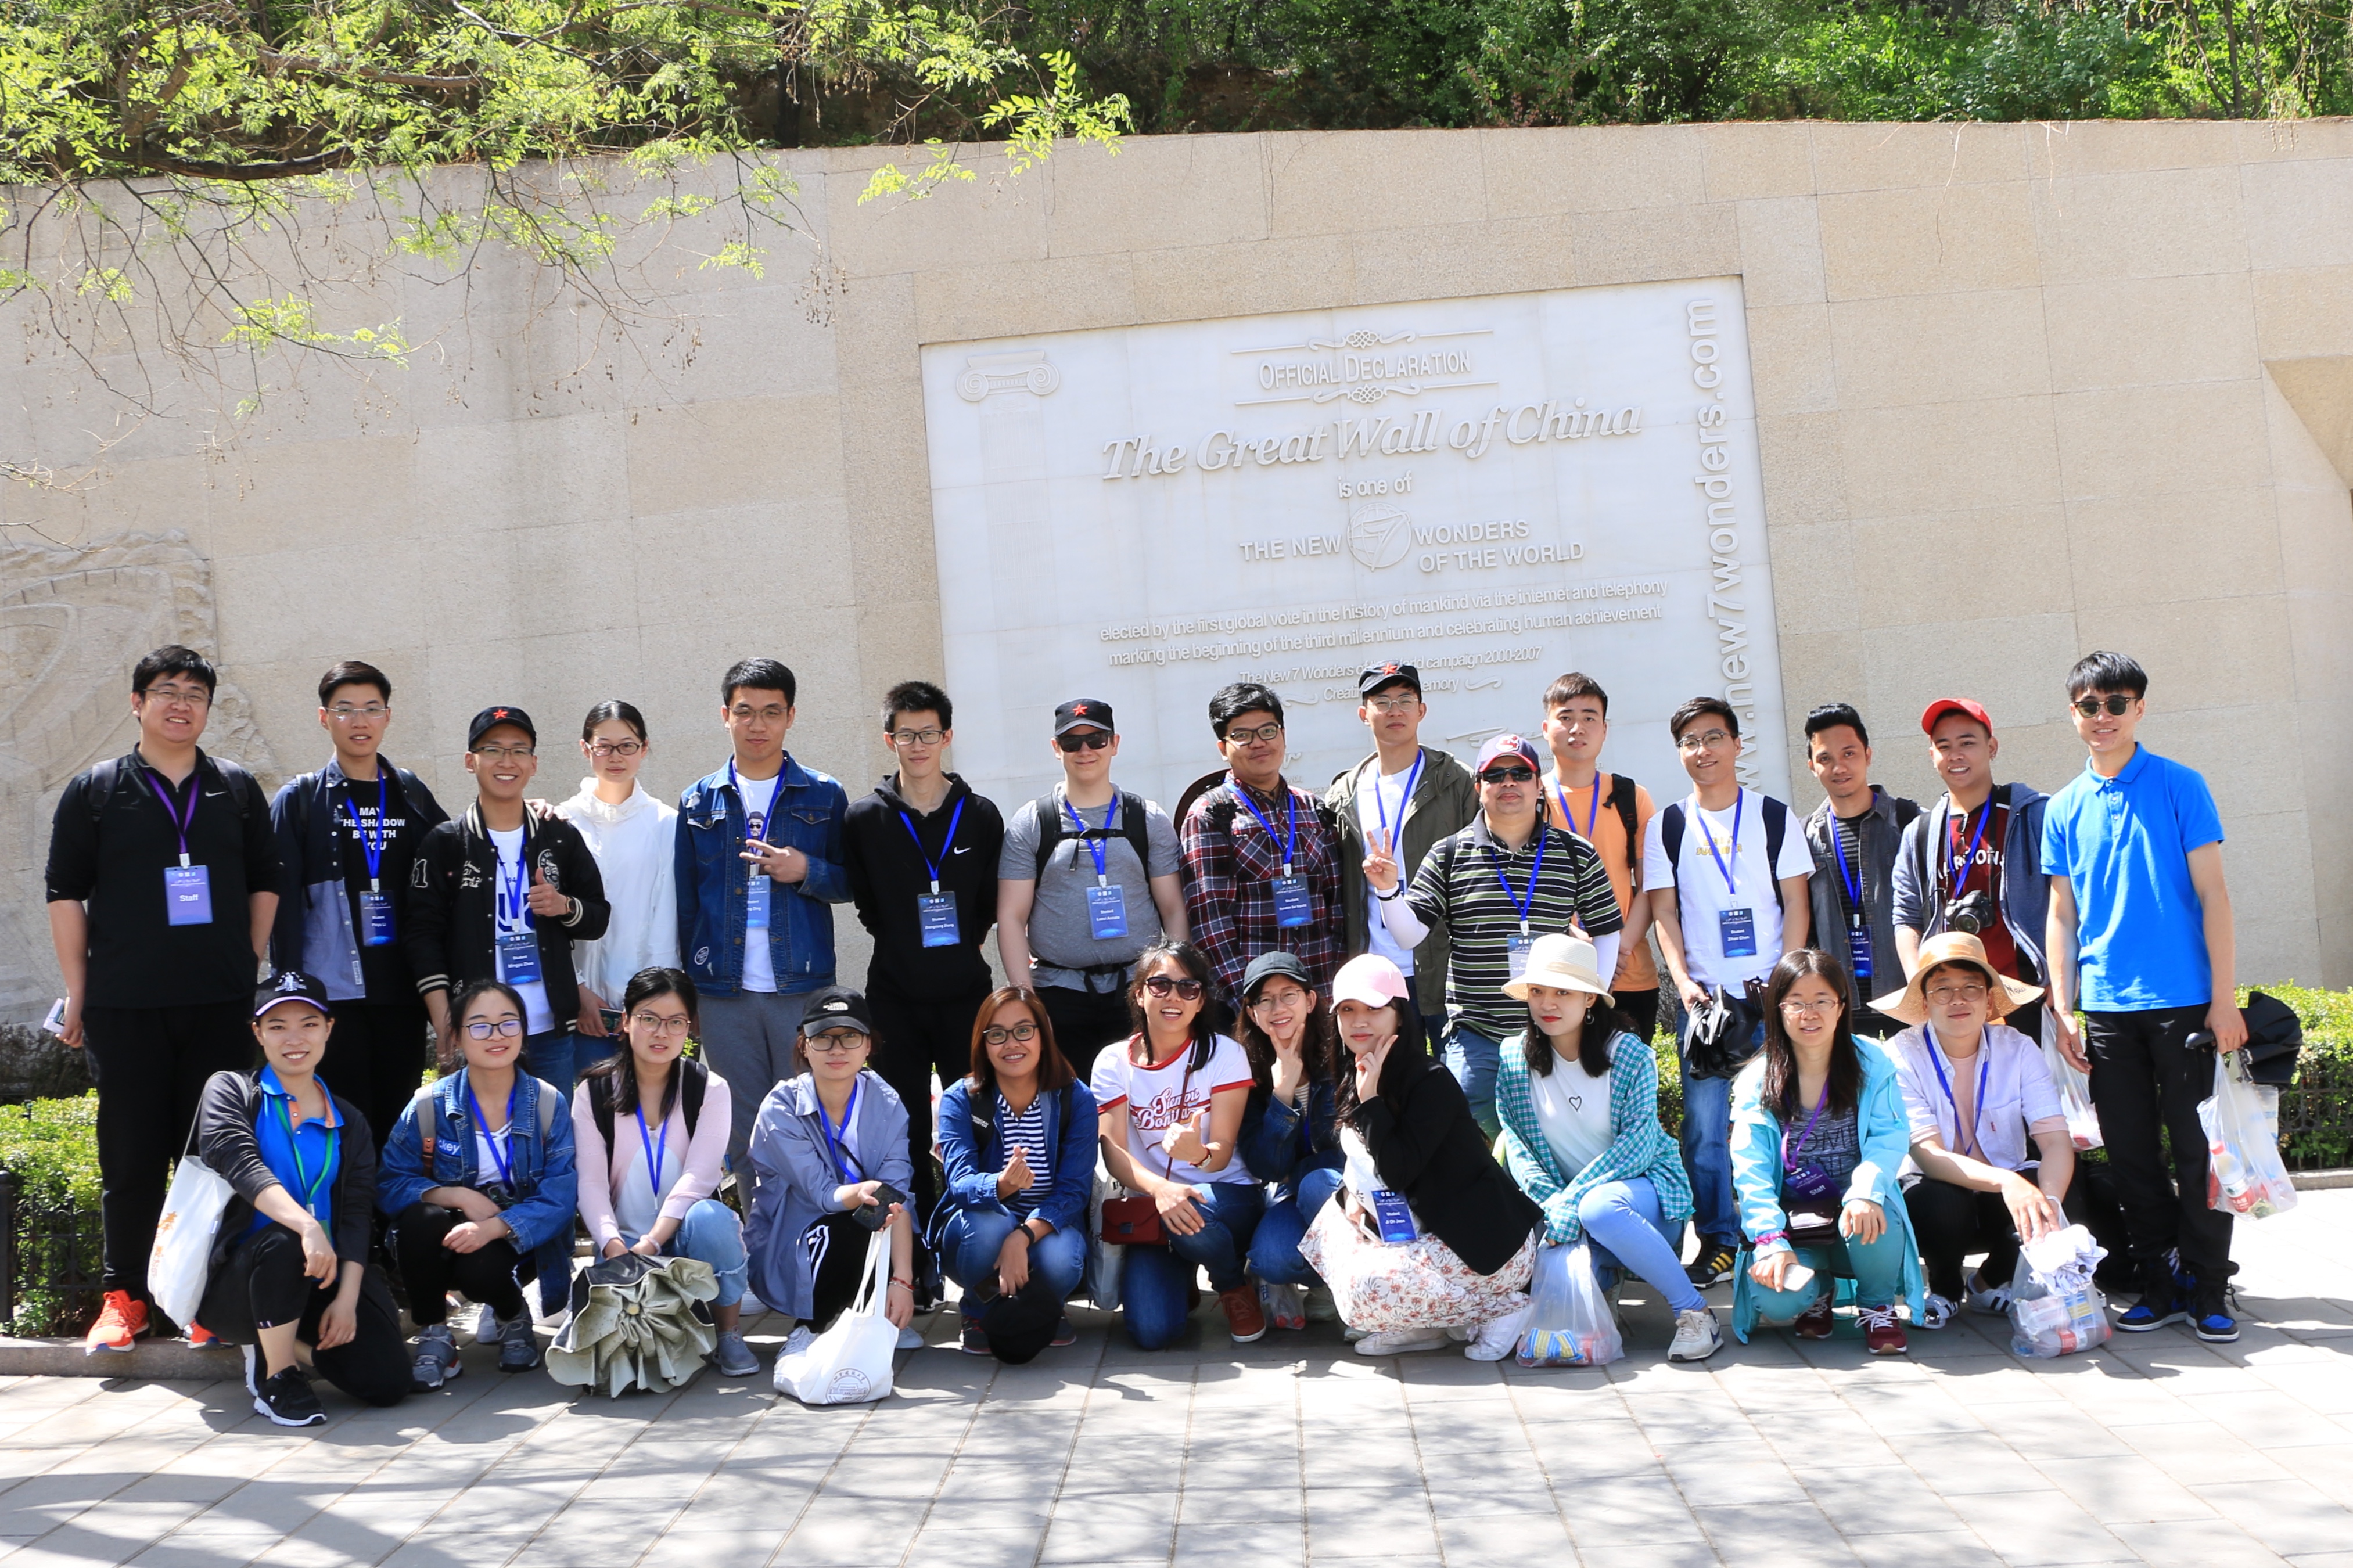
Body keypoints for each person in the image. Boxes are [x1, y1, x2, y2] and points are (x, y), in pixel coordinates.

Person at [45, 645, 282, 1354]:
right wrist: (79, 992)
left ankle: (204, 1299)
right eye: (167, 690)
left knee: (214, 1153)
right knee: (131, 1155)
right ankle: (126, 1299)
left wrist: (245, 965)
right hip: (125, 1004)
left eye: (195, 694)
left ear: (208, 708)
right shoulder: (96, 790)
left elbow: (265, 882)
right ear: (138, 703)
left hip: (219, 1003)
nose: (182, 704)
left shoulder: (235, 788)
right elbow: (65, 893)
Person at [2041, 651, 2244, 1341]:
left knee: (2198, 1153)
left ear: (2139, 708)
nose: (2102, 717)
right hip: (2104, 1009)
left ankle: (2209, 1286)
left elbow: (2214, 896)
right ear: (2073, 714)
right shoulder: (2063, 807)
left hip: (2185, 1004)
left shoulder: (2181, 785)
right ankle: (2159, 1282)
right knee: (2130, 1156)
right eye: (2088, 706)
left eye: (2115, 703)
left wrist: (2224, 999)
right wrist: (2062, 1006)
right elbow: (2061, 915)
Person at [1366, 733, 1625, 1137]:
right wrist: (1387, 891)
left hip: (1553, 1029)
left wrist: (1589, 1002)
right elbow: (1408, 935)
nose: (1508, 783)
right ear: (1478, 787)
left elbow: (1606, 930)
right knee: (1470, 1138)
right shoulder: (1448, 854)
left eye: (1520, 773)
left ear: (1538, 785)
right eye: (1495, 775)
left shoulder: (1576, 853)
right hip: (1477, 1033)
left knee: (1556, 1138)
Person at [1643, 696, 1815, 1289]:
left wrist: (1786, 979)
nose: (1703, 750)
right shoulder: (1668, 825)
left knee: (1784, 1123)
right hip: (1706, 1007)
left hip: (1772, 999)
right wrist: (1684, 983)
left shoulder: (1773, 817)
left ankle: (1788, 1234)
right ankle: (1718, 1239)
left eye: (1714, 737)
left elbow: (1795, 901)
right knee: (1703, 1129)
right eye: (1690, 741)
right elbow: (1663, 912)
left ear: (1737, 744)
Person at [193, 972, 409, 1426]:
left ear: (329, 1029)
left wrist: (346, 1299)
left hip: (320, 1276)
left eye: (309, 1024)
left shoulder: (348, 1119)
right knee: (287, 1240)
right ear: (258, 1033)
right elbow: (240, 1163)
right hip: (241, 1282)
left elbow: (356, 1214)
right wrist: (307, 1226)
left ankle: (284, 1343)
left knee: (387, 1382)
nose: (294, 1039)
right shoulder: (231, 1091)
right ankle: (278, 1374)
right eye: (277, 1026)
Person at [1493, 934, 1719, 1362]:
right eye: (1537, 991)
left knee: (1599, 1209)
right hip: (1561, 1212)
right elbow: (1518, 1147)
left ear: (1590, 999)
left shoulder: (1629, 1054)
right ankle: (1607, 1276)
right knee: (1571, 1296)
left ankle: (1694, 1313)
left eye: (1563, 992)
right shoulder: (1513, 1058)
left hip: (1641, 1201)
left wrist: (1571, 1204)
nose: (1547, 1003)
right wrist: (1555, 1205)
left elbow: (1637, 1147)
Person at [1306, 955, 1543, 1358]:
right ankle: (1423, 1327)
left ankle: (1504, 1309)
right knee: (1326, 1228)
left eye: (1374, 1009)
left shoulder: (1429, 1080)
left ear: (1399, 1014)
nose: (1359, 1021)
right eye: (1347, 1010)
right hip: (1425, 1232)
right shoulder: (1357, 1071)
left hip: (1485, 1246)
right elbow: (1364, 1163)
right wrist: (1352, 1199)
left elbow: (1397, 1172)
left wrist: (1371, 1102)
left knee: (1367, 1289)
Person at [843, 679, 1005, 1249]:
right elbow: (868, 906)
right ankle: (913, 1252)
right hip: (895, 997)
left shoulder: (980, 816)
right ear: (890, 740)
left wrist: (956, 947)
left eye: (928, 734)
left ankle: (975, 1240)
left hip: (965, 995)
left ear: (947, 737)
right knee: (903, 1129)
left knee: (976, 1121)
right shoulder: (864, 819)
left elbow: (987, 904)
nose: (918, 745)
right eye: (906, 735)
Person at [676, 659, 851, 1174]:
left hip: (800, 985)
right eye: (745, 712)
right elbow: (686, 903)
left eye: (771, 712)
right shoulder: (698, 800)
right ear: (725, 716)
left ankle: (816, 1224)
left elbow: (851, 882)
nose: (758, 725)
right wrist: (690, 992)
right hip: (723, 992)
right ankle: (760, 1227)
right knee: (744, 1131)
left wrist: (807, 870)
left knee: (810, 1120)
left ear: (790, 716)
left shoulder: (823, 793)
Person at [269, 660, 449, 1153]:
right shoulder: (301, 798)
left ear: (388, 716)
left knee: (396, 1124)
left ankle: (391, 1206)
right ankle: (350, 1207)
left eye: (372, 708)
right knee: (343, 1122)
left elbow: (454, 853)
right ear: (324, 718)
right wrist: (290, 995)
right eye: (345, 709)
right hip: (332, 997)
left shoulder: (409, 791)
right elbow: (280, 905)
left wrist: (524, 812)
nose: (359, 721)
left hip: (401, 990)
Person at [378, 979, 581, 1384]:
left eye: (508, 1023)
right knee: (419, 1218)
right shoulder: (429, 1105)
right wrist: (454, 1195)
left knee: (481, 1268)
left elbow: (560, 1196)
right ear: (456, 1036)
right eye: (480, 1026)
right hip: (442, 1236)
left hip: (517, 1239)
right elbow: (389, 1182)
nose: (496, 1035)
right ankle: (435, 1334)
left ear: (523, 1030)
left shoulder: (547, 1103)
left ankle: (511, 1313)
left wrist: (494, 1227)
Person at [1727, 950, 1923, 1355]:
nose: (1809, 1013)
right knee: (1776, 1300)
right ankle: (1818, 1291)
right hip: (1795, 1221)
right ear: (1778, 1010)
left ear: (1841, 1006)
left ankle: (1876, 1306)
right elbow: (1751, 1170)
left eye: (1821, 1000)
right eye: (1796, 1002)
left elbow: (1889, 1137)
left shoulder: (1871, 1061)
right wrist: (1769, 1240)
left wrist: (1865, 1191)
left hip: (1857, 1213)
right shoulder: (1756, 1081)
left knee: (1877, 1211)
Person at [1874, 933, 2074, 1328]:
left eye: (1971, 988)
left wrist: (2048, 1203)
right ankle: (1945, 1288)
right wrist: (2007, 1183)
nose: (1958, 1000)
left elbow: (2054, 1140)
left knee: (2065, 1186)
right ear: (1925, 1003)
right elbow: (1929, 1155)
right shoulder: (1901, 1053)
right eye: (1942, 990)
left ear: (1989, 1000)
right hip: (1939, 1190)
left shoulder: (2018, 1047)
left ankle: (1988, 1283)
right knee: (1940, 1200)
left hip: (2002, 1192)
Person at [405, 707, 611, 1089]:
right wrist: (445, 1021)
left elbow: (598, 917)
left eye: (519, 751)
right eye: (493, 750)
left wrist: (564, 906)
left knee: (550, 1125)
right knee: (480, 1126)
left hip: (548, 1029)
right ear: (470, 761)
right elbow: (422, 936)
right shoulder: (446, 843)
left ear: (533, 764)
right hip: (477, 1029)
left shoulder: (559, 836)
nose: (506, 761)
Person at [570, 967, 758, 1380]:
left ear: (689, 1028)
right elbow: (590, 1182)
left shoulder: (709, 1088)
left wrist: (655, 1241)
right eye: (649, 1019)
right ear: (626, 1021)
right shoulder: (594, 1092)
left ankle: (728, 1333)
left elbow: (701, 1177)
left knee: (713, 1219)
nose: (662, 1033)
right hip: (624, 1246)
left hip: (685, 1239)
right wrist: (613, 1245)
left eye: (676, 1022)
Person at [1090, 940, 1266, 1348]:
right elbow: (1114, 1153)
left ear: (1201, 1001)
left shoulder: (1224, 1053)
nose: (1174, 997)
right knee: (1152, 1333)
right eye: (1161, 985)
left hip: (1227, 1195)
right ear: (1139, 994)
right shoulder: (1112, 1062)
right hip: (1155, 1205)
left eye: (1189, 988)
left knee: (1194, 1213)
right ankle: (1186, 1267)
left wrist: (1198, 1155)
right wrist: (1161, 1190)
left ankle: (1231, 1284)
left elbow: (1222, 1151)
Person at [996, 697, 1188, 1061]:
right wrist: (1026, 1002)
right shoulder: (1033, 822)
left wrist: (1174, 987)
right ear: (1057, 749)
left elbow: (1173, 908)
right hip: (1058, 994)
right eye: (1072, 742)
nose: (1085, 751)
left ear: (1114, 744)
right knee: (1069, 1095)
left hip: (1139, 991)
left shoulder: (1147, 818)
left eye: (1097, 740)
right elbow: (1011, 916)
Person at [742, 987, 920, 1352]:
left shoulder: (886, 1102)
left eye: (850, 1037)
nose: (837, 1050)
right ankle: (810, 1327)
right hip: (796, 1238)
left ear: (868, 1045)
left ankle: (877, 1312)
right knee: (843, 1228)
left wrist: (903, 1282)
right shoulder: (781, 1108)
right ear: (804, 1046)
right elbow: (823, 1195)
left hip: (873, 1220)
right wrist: (865, 1191)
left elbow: (898, 1194)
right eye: (823, 1038)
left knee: (895, 1221)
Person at [932, 987, 1096, 1357]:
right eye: (997, 1034)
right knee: (990, 1224)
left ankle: (1044, 1308)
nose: (1011, 1044)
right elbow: (959, 1183)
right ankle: (978, 1310)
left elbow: (1074, 1191)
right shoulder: (962, 1098)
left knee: (1061, 1255)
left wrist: (1021, 1237)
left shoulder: (1075, 1098)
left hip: (1045, 1227)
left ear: (1043, 1035)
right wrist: (1002, 1185)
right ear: (983, 1043)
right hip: (977, 1234)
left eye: (1024, 1030)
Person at [1326, 663, 1477, 1053]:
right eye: (1383, 701)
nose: (1395, 711)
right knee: (1388, 1076)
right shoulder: (1344, 793)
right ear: (1364, 714)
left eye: (1405, 701)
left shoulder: (1454, 780)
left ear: (1421, 711)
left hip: (1445, 964)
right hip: (1377, 969)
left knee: (1455, 1078)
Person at [1892, 697, 2052, 1044]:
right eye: (1944, 746)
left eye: (1967, 743)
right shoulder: (1920, 833)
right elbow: (1905, 918)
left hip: (2026, 994)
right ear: (1932, 755)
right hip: (1953, 1003)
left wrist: (2061, 981)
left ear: (1992, 748)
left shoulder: (2033, 816)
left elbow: (2065, 903)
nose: (1956, 755)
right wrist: (1920, 988)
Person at [1180, 682, 1347, 1001]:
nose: (1258, 743)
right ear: (1223, 747)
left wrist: (1334, 991)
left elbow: (1336, 904)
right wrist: (1250, 1002)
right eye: (1242, 735)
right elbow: (1210, 921)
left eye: (1268, 731)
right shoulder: (1211, 814)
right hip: (1255, 999)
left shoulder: (1312, 807)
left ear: (1283, 735)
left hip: (1319, 991)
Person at [1538, 672, 1663, 1042]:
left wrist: (1618, 949)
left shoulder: (1631, 797)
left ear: (1605, 730)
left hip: (1629, 975)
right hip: (1555, 975)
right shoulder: (1531, 799)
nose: (1578, 728)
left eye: (1589, 718)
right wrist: (1572, 935)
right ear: (1546, 728)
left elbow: (1650, 885)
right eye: (1566, 717)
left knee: (1626, 1074)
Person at [558, 701, 680, 1065]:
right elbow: (549, 917)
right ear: (585, 749)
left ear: (644, 748)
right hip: (581, 1006)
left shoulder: (666, 824)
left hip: (647, 1011)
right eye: (604, 746)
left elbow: (667, 918)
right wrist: (578, 988)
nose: (616, 756)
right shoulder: (562, 822)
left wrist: (654, 1001)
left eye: (627, 745)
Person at [1234, 951, 1344, 1329]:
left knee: (1318, 1182)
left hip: (1351, 1192)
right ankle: (1330, 1282)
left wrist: (1300, 1173)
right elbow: (1267, 1167)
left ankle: (1367, 1293)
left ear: (1310, 1001)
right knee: (1271, 1258)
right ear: (1252, 1014)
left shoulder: (1341, 1053)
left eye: (1288, 995)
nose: (1277, 1008)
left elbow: (1347, 1152)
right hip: (1294, 1197)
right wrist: (1282, 1093)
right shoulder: (1247, 1071)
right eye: (1264, 1000)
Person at [1798, 703, 1919, 1038]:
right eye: (1825, 758)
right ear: (1812, 767)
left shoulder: (1909, 823)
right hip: (1836, 1008)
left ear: (1868, 755)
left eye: (1849, 753)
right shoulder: (1803, 837)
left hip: (1905, 999)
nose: (1839, 767)